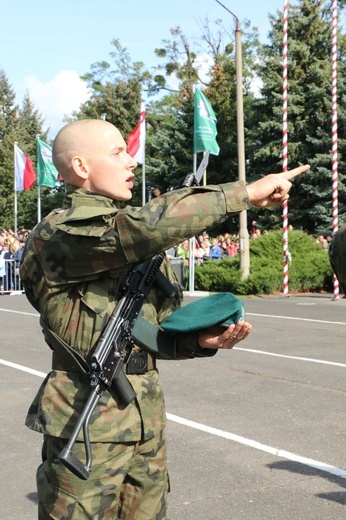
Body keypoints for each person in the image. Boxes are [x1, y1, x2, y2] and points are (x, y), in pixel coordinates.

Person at [19, 118, 309, 520]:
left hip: (144, 417)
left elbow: (158, 330)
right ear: (82, 167)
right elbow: (146, 227)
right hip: (87, 416)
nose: (131, 162)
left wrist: (200, 341)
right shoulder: (61, 234)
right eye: (118, 152)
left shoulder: (138, 242)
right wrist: (242, 193)